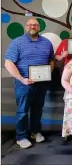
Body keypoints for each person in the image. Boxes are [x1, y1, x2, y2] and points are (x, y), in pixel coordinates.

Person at [4, 18, 54, 148]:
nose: (33, 26)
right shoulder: (17, 43)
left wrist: (48, 72)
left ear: (39, 27)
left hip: (41, 84)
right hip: (24, 83)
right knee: (23, 111)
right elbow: (8, 63)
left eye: (35, 25)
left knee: (38, 109)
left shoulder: (47, 43)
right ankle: (21, 137)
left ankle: (35, 132)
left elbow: (51, 60)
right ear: (25, 27)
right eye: (30, 24)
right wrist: (22, 79)